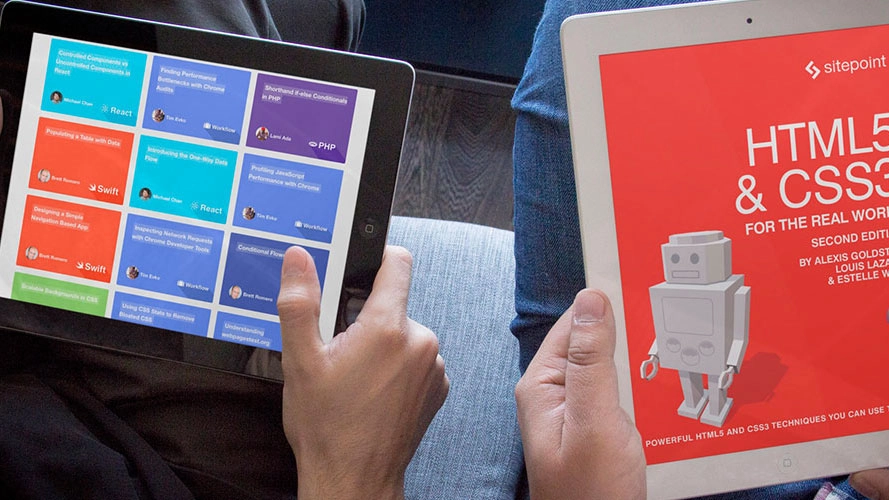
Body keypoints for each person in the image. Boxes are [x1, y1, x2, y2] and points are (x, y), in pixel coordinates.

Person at [509, 0, 888, 499]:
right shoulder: (675, 290)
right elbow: (643, 326)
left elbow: (733, 329)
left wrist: (724, 361)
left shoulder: (730, 289)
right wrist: (653, 352)